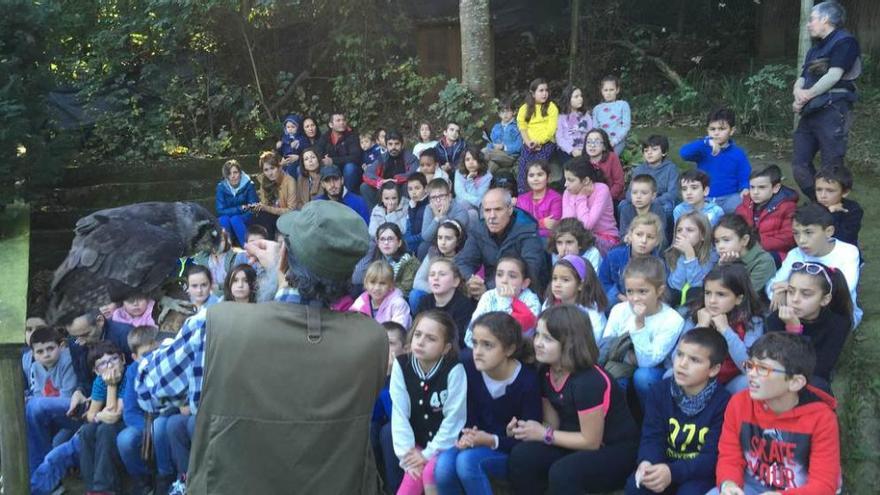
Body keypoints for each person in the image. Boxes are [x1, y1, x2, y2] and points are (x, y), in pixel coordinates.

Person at [136, 200, 389, 494]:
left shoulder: (215, 325)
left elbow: (147, 389)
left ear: (283, 260)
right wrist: (282, 276)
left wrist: (276, 279)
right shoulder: (372, 339)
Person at [508, 305, 640, 494]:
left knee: (563, 473)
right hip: (571, 440)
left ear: (570, 343)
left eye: (548, 338)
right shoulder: (546, 370)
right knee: (523, 455)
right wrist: (525, 429)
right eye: (537, 334)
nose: (537, 342)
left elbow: (590, 441)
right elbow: (551, 424)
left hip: (613, 450)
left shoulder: (589, 381)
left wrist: (543, 434)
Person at [714, 333, 841, 495]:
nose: (751, 374)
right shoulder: (739, 403)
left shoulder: (822, 419)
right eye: (750, 365)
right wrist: (729, 484)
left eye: (762, 369)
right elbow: (729, 456)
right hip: (749, 487)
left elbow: (823, 484)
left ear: (795, 382)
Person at [434, 312, 542, 494]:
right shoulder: (467, 368)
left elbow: (528, 442)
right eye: (475, 343)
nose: (478, 351)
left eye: (487, 345)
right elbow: (464, 415)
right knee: (443, 467)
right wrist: (468, 435)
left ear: (509, 349)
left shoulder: (527, 381)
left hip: (507, 451)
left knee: (467, 462)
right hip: (474, 442)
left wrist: (492, 440)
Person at [625, 327, 731, 495]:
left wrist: (672, 472)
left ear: (714, 369)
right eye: (680, 354)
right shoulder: (659, 391)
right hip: (663, 464)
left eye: (694, 360)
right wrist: (647, 462)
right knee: (636, 487)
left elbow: (712, 456)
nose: (682, 364)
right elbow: (652, 436)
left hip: (698, 473)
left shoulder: (724, 403)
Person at [389, 310, 467, 495]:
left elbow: (454, 419)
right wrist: (408, 456)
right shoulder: (401, 365)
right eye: (417, 334)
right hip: (414, 444)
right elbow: (400, 413)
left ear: (446, 348)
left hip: (445, 444)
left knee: (431, 472)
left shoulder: (454, 370)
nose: (421, 341)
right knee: (410, 483)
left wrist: (427, 454)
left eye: (431, 338)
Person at [791, 0, 861, 200]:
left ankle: (834, 211)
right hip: (810, 111)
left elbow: (834, 75)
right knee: (799, 166)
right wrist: (797, 93)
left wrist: (807, 94)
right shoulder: (815, 48)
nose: (808, 24)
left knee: (832, 168)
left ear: (825, 19)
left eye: (812, 19)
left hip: (833, 111)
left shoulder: (845, 41)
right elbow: (802, 76)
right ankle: (820, 204)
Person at [604, 257, 685, 406]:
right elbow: (608, 347)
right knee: (611, 377)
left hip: (654, 372)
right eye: (630, 291)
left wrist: (639, 325)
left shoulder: (672, 319)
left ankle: (649, 419)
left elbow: (647, 362)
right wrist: (629, 356)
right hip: (620, 367)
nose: (635, 298)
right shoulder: (619, 310)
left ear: (659, 290)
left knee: (643, 376)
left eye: (642, 291)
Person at [766, 203, 862, 327]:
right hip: (800, 309)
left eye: (808, 232)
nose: (801, 240)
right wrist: (778, 292)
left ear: (829, 231)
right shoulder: (795, 254)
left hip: (836, 313)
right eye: (796, 233)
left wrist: (789, 288)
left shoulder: (848, 252)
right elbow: (773, 284)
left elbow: (843, 290)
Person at [766, 261, 852, 385]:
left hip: (811, 383)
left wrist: (795, 331)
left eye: (806, 294)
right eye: (790, 291)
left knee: (818, 383)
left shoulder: (838, 324)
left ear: (825, 299)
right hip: (778, 381)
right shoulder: (776, 318)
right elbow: (774, 364)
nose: (795, 299)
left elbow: (817, 371)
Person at [455, 188, 549, 299]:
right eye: (487, 210)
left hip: (523, 295)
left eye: (498, 209)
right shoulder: (479, 230)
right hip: (486, 294)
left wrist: (488, 288)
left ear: (510, 209)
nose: (492, 216)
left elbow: (530, 270)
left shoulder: (527, 230)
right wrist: (472, 281)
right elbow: (462, 261)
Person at [688, 264, 765, 393]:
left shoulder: (753, 322)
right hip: (698, 377)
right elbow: (676, 360)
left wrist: (725, 329)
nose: (712, 301)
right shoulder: (696, 316)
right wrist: (700, 328)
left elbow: (748, 366)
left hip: (730, 382)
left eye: (721, 294)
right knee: (669, 374)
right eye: (708, 293)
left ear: (738, 299)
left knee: (749, 380)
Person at [679, 108, 751, 213]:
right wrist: (705, 142)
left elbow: (744, 175)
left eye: (722, 129)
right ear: (707, 130)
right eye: (712, 129)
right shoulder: (703, 149)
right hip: (704, 198)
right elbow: (684, 153)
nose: (716, 133)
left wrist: (745, 188)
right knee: (682, 210)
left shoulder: (738, 154)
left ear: (732, 130)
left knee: (741, 206)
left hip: (729, 198)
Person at [116, 325, 160, 495]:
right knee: (126, 439)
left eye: (155, 351)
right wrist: (148, 430)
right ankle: (143, 481)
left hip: (165, 417)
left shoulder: (169, 364)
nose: (152, 358)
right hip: (143, 419)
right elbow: (130, 411)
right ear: (134, 357)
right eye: (145, 355)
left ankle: (166, 477)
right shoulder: (133, 371)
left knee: (163, 432)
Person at [79, 341, 127, 494]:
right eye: (102, 364)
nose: (110, 366)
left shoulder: (129, 375)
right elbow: (91, 414)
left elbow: (114, 415)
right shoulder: (99, 382)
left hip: (128, 422)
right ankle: (91, 489)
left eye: (113, 359)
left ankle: (104, 489)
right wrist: (98, 415)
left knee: (106, 429)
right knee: (86, 431)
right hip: (108, 423)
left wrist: (112, 385)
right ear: (96, 371)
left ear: (123, 359)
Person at [466, 255, 542, 347]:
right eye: (499, 275)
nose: (504, 280)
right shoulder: (488, 296)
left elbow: (508, 338)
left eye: (512, 276)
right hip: (484, 348)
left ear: (525, 283)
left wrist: (506, 300)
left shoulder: (531, 300)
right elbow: (470, 335)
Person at [733, 165, 798, 263]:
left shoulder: (788, 208)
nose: (755, 192)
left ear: (776, 188)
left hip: (777, 255)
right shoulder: (744, 206)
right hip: (746, 250)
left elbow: (788, 239)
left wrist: (753, 244)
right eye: (752, 187)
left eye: (761, 187)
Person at [599, 213, 664, 304]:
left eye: (650, 237)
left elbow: (661, 292)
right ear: (630, 235)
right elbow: (603, 282)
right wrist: (622, 297)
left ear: (657, 241)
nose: (644, 240)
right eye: (639, 234)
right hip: (618, 300)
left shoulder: (659, 264)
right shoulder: (613, 256)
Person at [541, 255, 608, 343]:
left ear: (580, 284)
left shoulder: (592, 312)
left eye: (565, 280)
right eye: (554, 278)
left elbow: (595, 340)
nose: (557, 284)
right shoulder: (548, 304)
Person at [415, 258, 476, 350]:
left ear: (455, 281)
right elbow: (415, 328)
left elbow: (458, 338)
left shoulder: (464, 305)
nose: (435, 278)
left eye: (442, 274)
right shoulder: (424, 301)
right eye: (432, 274)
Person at [562, 158, 619, 255]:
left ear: (586, 180)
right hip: (578, 238)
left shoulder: (601, 190)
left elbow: (586, 225)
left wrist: (581, 197)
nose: (565, 184)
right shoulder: (568, 192)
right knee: (559, 244)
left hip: (605, 239)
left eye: (570, 180)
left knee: (580, 245)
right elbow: (567, 224)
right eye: (565, 179)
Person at [353, 222, 420, 299]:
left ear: (399, 242)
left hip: (396, 302)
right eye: (382, 239)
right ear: (377, 243)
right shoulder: (374, 259)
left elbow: (405, 291)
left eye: (390, 239)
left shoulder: (409, 261)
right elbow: (357, 279)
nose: (386, 243)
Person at [620, 135, 679, 221]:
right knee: (623, 205)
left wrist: (651, 201)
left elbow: (672, 193)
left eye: (654, 150)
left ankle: (666, 233)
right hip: (640, 199)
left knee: (667, 208)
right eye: (646, 150)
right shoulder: (639, 169)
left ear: (664, 152)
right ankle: (626, 232)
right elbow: (630, 191)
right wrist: (636, 200)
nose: (649, 153)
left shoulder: (670, 168)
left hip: (660, 201)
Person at [412, 219, 467, 310]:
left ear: (458, 241)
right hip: (433, 296)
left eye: (448, 238)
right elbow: (417, 282)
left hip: (456, 301)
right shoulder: (433, 253)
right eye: (440, 237)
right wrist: (439, 290)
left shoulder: (465, 258)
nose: (443, 242)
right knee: (415, 295)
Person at [713, 214, 777, 292]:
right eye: (717, 241)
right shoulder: (725, 259)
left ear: (744, 240)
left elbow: (744, 295)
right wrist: (721, 267)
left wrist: (731, 267)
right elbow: (711, 288)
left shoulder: (763, 262)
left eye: (726, 240)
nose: (720, 246)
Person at [516, 78, 559, 194]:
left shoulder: (551, 107)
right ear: (533, 93)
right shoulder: (524, 108)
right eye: (541, 90)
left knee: (539, 166)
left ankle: (539, 194)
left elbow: (551, 129)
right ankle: (523, 197)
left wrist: (538, 142)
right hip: (529, 143)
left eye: (546, 90)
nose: (544, 93)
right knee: (523, 167)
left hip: (547, 143)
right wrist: (528, 142)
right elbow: (522, 127)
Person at [666, 212, 718, 306]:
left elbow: (697, 284)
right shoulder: (674, 254)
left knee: (694, 292)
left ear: (702, 235)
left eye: (690, 230)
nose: (683, 234)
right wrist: (684, 256)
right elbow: (675, 285)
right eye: (679, 230)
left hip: (699, 304)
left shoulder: (712, 255)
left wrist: (690, 256)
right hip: (678, 304)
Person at [362, 130, 419, 209]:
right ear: (386, 145)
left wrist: (396, 180)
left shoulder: (410, 157)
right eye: (390, 144)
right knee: (364, 187)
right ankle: (377, 214)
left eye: (397, 144)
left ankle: (406, 213)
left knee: (409, 185)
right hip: (384, 188)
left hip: (402, 189)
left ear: (402, 145)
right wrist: (381, 181)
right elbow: (367, 174)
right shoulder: (382, 158)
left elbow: (414, 172)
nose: (393, 147)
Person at [250, 151, 299, 238]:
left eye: (272, 168)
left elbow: (291, 210)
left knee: (266, 218)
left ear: (279, 167)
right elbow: (265, 204)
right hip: (271, 215)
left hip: (287, 216)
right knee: (256, 217)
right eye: (266, 170)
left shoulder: (290, 181)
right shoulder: (264, 181)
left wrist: (267, 208)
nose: (270, 173)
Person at [350, 260, 412, 328]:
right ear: (366, 283)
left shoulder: (398, 304)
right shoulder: (361, 301)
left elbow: (397, 333)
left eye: (382, 283)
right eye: (373, 282)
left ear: (391, 285)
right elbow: (351, 324)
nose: (377, 288)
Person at [418, 178, 471, 258]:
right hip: (438, 245)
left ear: (449, 197)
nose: (438, 201)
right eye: (434, 197)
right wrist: (436, 219)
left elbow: (452, 233)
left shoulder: (460, 210)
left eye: (441, 196)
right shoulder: (429, 208)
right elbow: (426, 237)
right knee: (423, 247)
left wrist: (442, 216)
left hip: (457, 246)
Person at [315, 111, 363, 194]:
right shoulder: (325, 137)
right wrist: (323, 160)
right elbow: (317, 151)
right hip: (331, 169)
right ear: (331, 125)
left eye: (343, 120)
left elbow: (356, 157)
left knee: (350, 167)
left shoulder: (352, 136)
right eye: (338, 120)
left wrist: (333, 160)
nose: (342, 123)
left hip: (348, 170)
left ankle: (347, 195)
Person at [215, 158, 259, 247]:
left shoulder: (249, 185)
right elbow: (220, 210)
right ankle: (227, 250)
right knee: (223, 220)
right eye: (229, 173)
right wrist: (240, 208)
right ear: (226, 176)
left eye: (235, 172)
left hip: (245, 217)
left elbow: (253, 207)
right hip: (228, 217)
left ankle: (249, 249)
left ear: (240, 172)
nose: (233, 176)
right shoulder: (221, 187)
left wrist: (242, 211)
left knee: (235, 219)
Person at [815, 165, 862, 245]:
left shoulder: (852, 210)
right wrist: (830, 211)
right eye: (819, 189)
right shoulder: (810, 208)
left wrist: (832, 214)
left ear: (845, 192)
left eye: (830, 191)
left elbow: (843, 238)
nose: (823, 195)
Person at [516, 159, 562, 238]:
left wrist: (529, 226)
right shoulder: (521, 199)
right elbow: (519, 226)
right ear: (526, 179)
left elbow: (552, 226)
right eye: (531, 175)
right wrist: (542, 223)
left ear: (548, 177)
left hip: (547, 242)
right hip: (525, 240)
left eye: (540, 175)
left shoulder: (556, 198)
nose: (535, 179)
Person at [618, 175, 668, 240]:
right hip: (632, 244)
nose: (638, 196)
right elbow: (623, 234)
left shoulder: (658, 210)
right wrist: (627, 238)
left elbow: (660, 236)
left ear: (653, 195)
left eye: (644, 193)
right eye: (634, 192)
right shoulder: (626, 210)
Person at [582, 128, 625, 202]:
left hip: (610, 199)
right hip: (589, 201)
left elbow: (619, 183)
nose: (592, 145)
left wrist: (604, 200)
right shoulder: (582, 161)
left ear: (604, 146)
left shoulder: (612, 157)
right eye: (588, 142)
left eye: (597, 142)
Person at [592, 75, 631, 156]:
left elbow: (626, 126)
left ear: (617, 90)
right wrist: (601, 142)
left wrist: (614, 141)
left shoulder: (623, 105)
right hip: (601, 142)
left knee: (610, 158)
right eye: (605, 90)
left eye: (611, 90)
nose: (608, 93)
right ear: (601, 91)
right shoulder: (597, 109)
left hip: (618, 141)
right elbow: (596, 128)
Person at [484, 99, 523, 173]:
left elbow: (519, 146)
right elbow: (491, 142)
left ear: (514, 112)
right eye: (502, 112)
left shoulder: (518, 126)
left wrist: (504, 147)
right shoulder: (496, 127)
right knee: (490, 169)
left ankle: (473, 160)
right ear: (499, 114)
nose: (505, 114)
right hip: (496, 156)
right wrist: (493, 146)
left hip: (511, 157)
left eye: (508, 111)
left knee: (485, 152)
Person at [555, 84, 593, 162]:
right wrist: (571, 150)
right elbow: (559, 138)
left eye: (581, 96)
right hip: (566, 151)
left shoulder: (586, 116)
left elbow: (591, 133)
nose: (580, 99)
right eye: (576, 97)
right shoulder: (561, 117)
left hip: (584, 150)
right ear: (568, 99)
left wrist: (586, 149)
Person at [455, 146, 494, 210]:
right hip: (460, 206)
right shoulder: (459, 173)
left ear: (479, 160)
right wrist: (478, 201)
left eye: (474, 159)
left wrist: (470, 181)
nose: (471, 162)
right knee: (464, 203)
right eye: (467, 160)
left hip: (477, 208)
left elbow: (479, 196)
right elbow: (460, 194)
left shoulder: (487, 176)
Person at [403, 172, 431, 254]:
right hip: (412, 243)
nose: (413, 192)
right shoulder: (411, 205)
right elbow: (408, 227)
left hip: (423, 243)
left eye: (417, 188)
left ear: (425, 188)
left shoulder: (429, 206)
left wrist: (408, 240)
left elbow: (425, 234)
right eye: (410, 189)